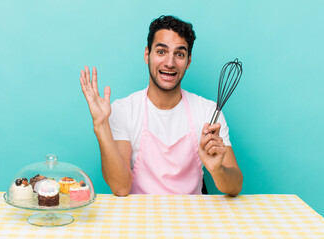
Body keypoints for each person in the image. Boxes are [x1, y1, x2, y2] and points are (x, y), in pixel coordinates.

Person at [79, 15, 243, 197]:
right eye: (161, 52)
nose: (170, 63)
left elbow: (235, 187)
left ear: (188, 61)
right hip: (140, 216)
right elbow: (121, 187)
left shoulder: (208, 112)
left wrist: (217, 169)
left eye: (179, 54)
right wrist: (101, 125)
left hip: (193, 218)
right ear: (147, 55)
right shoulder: (124, 110)